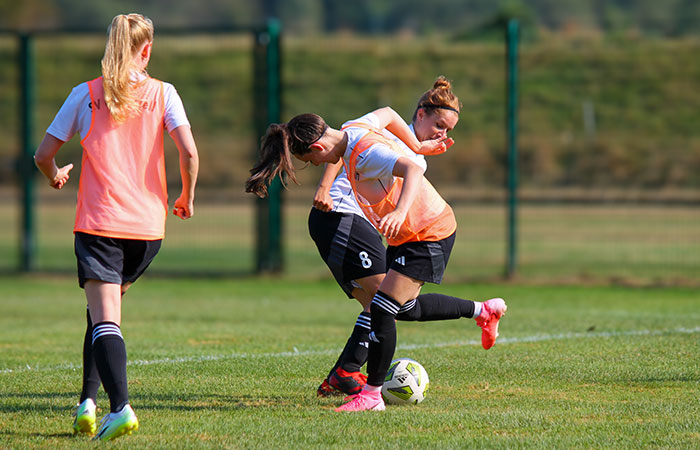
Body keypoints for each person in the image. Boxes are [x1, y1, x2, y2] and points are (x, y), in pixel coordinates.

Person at [245, 103, 507, 413]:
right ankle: (483, 311)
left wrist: (399, 207)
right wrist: (416, 145)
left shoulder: (366, 152)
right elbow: (386, 112)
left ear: (317, 146)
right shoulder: (351, 127)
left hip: (428, 231)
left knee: (382, 309)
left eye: (310, 159)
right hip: (410, 234)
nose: (316, 164)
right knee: (401, 307)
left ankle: (370, 395)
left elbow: (414, 168)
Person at [34, 13, 199, 440]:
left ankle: (120, 408)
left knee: (106, 318)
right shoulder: (165, 93)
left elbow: (43, 154)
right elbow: (189, 152)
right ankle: (87, 401)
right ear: (146, 50)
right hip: (148, 230)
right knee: (100, 312)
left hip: (100, 223)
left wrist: (54, 175)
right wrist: (186, 197)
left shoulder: (86, 94)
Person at [309, 77, 466, 397]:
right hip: (341, 214)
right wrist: (324, 187)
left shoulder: (415, 156)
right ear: (420, 114)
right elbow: (342, 141)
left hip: (352, 223)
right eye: (439, 124)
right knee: (386, 300)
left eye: (449, 130)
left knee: (386, 304)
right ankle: (354, 378)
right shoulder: (397, 145)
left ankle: (343, 375)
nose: (443, 134)